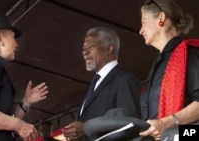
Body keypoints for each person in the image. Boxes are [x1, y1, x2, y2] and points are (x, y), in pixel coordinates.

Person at [62, 27, 141, 141]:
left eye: (91, 46)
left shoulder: (124, 79)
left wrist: (86, 128)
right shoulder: (95, 83)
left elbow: (129, 126)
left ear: (109, 49)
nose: (84, 52)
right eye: (83, 48)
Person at [138, 0, 199, 140]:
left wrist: (166, 123)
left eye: (144, 22)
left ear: (161, 18)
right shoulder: (156, 66)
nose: (140, 30)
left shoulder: (191, 53)